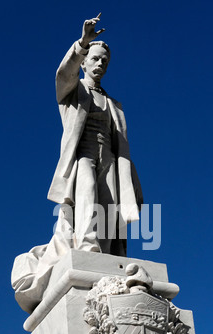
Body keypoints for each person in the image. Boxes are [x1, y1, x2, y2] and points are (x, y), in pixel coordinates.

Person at [47, 13, 142, 255]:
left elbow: (121, 143)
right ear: (84, 63)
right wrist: (82, 44)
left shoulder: (114, 104)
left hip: (109, 156)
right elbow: (62, 75)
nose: (100, 64)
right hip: (84, 153)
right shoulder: (72, 90)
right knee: (87, 194)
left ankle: (108, 253)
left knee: (110, 206)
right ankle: (88, 246)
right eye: (96, 59)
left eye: (105, 62)